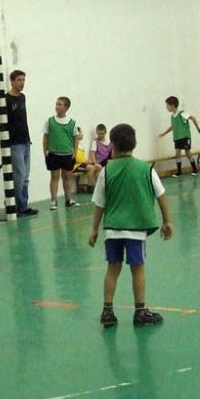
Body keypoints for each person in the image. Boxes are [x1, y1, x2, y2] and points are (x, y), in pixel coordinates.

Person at [88, 123, 173, 328]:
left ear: (113, 145)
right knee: (138, 270)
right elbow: (161, 196)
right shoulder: (146, 169)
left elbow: (99, 204)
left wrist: (94, 229)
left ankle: (107, 312)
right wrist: (167, 221)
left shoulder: (106, 171)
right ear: (134, 144)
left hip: (112, 229)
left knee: (112, 269)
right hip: (136, 231)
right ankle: (140, 311)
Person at [5, 70, 37, 217]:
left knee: (25, 177)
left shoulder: (22, 97)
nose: (22, 83)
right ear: (12, 81)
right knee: (19, 175)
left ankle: (23, 206)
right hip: (14, 143)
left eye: (23, 80)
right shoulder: (6, 99)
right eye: (19, 80)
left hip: (25, 141)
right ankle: (12, 204)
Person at [43, 96, 82, 210]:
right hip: (53, 154)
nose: (57, 106)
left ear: (66, 107)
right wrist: (45, 151)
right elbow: (45, 137)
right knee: (54, 177)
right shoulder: (50, 121)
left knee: (67, 177)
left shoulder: (72, 123)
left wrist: (74, 152)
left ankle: (68, 199)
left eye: (60, 104)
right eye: (57, 104)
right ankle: (53, 201)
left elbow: (75, 138)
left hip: (67, 155)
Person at [158, 96, 200, 177]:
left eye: (167, 105)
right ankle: (179, 171)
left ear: (172, 105)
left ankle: (194, 169)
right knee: (177, 154)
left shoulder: (181, 113)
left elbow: (193, 118)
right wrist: (164, 133)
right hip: (177, 137)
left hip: (185, 136)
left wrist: (198, 128)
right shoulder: (172, 116)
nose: (166, 107)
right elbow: (173, 126)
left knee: (187, 153)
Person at [85, 123, 112, 191]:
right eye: (99, 134)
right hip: (98, 162)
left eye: (102, 134)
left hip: (106, 161)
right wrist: (95, 163)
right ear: (97, 133)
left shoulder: (109, 143)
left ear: (105, 133)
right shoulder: (95, 142)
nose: (100, 135)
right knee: (97, 169)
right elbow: (93, 153)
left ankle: (103, 187)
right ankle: (91, 186)